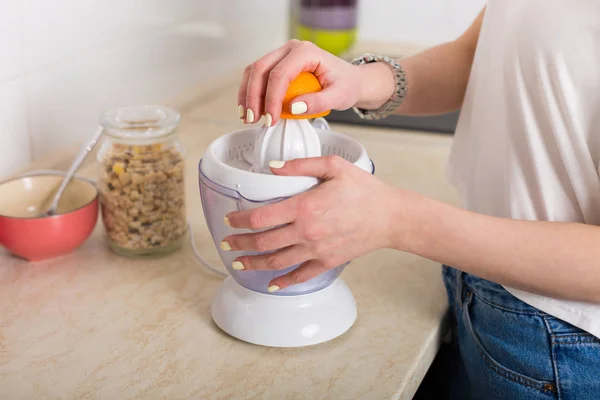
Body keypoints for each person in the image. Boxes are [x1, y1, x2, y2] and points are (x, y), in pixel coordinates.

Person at [222, 2, 600, 398]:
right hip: (476, 276)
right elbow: (481, 53)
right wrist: (362, 81)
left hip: (562, 344)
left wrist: (395, 220)